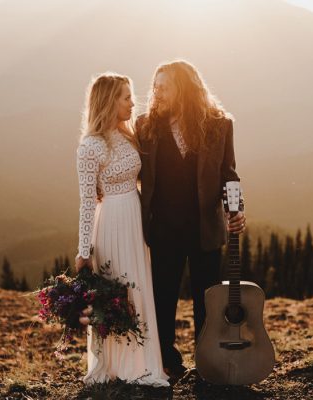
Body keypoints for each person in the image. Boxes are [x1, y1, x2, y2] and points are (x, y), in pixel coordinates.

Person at [135, 60, 246, 380]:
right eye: (154, 86)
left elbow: (229, 175)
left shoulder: (219, 125)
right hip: (162, 228)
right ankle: (167, 360)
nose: (156, 92)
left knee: (207, 301)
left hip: (204, 229)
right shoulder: (145, 125)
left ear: (183, 89)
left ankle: (208, 360)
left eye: (164, 86)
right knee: (163, 297)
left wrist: (236, 209)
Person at [74, 72, 169, 386]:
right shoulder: (91, 147)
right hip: (111, 223)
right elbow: (87, 201)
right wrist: (83, 250)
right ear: (108, 101)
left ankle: (142, 360)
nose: (133, 103)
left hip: (134, 219)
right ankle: (116, 365)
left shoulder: (128, 135)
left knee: (138, 289)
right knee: (118, 292)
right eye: (126, 97)